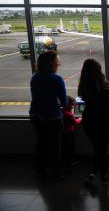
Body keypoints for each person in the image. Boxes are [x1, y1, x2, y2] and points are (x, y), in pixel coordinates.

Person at [78, 59, 109, 185]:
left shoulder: (84, 87)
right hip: (108, 120)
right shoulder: (108, 85)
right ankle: (102, 174)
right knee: (101, 148)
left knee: (98, 148)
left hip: (91, 121)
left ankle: (97, 174)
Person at [30, 51, 67, 179]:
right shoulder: (56, 78)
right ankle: (56, 171)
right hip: (52, 117)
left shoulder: (34, 77)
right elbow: (64, 102)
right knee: (55, 146)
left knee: (41, 143)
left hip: (35, 115)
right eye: (57, 61)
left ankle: (39, 169)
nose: (59, 63)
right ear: (51, 63)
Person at [61, 96, 81, 166]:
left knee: (64, 147)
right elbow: (74, 123)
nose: (73, 107)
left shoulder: (62, 112)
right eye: (72, 105)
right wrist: (79, 120)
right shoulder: (69, 114)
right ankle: (69, 161)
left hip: (62, 133)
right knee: (70, 147)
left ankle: (64, 160)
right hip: (69, 133)